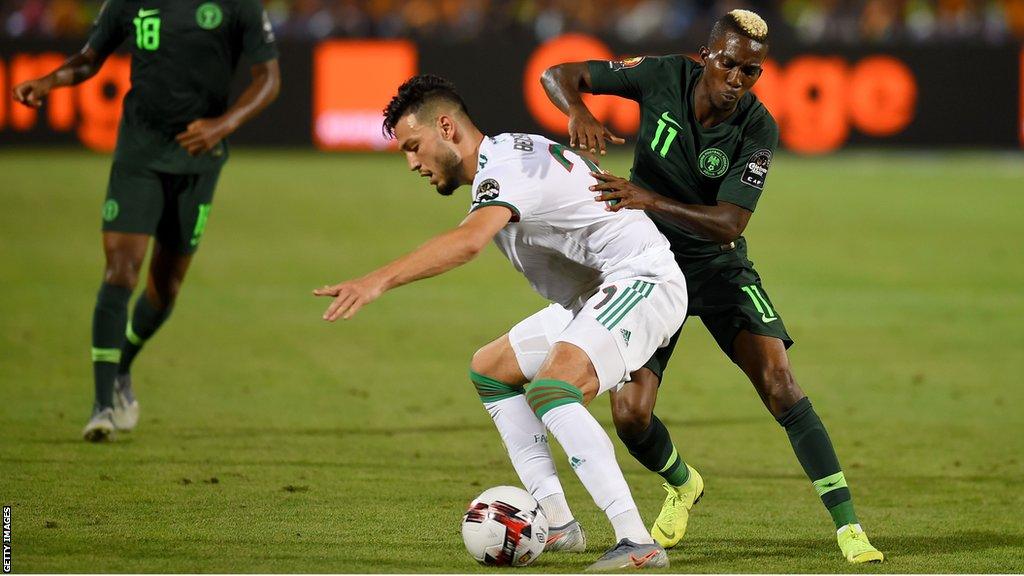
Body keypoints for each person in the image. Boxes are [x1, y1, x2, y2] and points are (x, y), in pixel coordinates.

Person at [540, 8, 884, 564]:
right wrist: (578, 110)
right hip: (648, 269)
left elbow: (729, 223)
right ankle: (682, 482)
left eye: (752, 72)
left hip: (718, 267)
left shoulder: (757, 126)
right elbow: (556, 74)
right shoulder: (660, 75)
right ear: (707, 55)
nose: (738, 81)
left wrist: (647, 198)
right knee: (630, 414)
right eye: (730, 65)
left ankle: (849, 527)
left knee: (780, 383)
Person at [314, 74, 688, 570]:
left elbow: (468, 242)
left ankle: (635, 540)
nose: (412, 163)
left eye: (413, 146)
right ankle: (557, 523)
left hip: (642, 282)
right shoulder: (503, 156)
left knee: (554, 389)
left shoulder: (506, 168)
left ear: (446, 127)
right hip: (595, 295)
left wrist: (376, 281)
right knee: (491, 369)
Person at [12, 0, 281, 442]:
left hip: (199, 158)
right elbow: (89, 58)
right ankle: (100, 406)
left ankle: (122, 365)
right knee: (120, 270)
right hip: (139, 153)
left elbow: (269, 79)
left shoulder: (238, 5)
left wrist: (222, 125)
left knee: (165, 287)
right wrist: (50, 81)